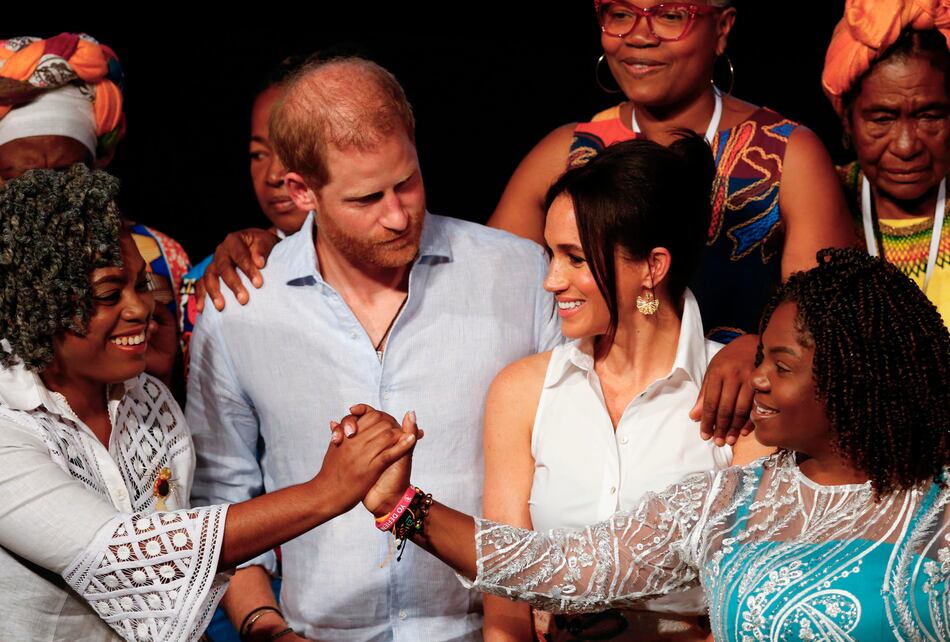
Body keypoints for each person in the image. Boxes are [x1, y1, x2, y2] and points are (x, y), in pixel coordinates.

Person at [342, 247, 950, 641]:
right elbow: (560, 567)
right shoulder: (722, 502)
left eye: (782, 366)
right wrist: (405, 509)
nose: (756, 378)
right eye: (759, 355)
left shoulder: (939, 509)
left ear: (852, 378)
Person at [186, 56, 561, 642]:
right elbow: (220, 508)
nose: (398, 215)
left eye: (407, 181)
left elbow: (567, 471)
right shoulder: (240, 309)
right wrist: (265, 627)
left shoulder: (520, 275)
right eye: (366, 199)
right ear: (301, 190)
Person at [0, 165, 418, 642]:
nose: (140, 308)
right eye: (109, 294)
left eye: (141, 285)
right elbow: (126, 557)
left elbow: (170, 600)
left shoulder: (146, 400)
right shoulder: (7, 422)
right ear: (34, 305)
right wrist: (327, 491)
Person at [481, 0, 856, 448]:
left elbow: (839, 324)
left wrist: (761, 350)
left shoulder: (787, 155)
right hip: (593, 426)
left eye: (670, 15)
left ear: (722, 29)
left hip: (737, 434)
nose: (640, 35)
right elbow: (492, 305)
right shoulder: (564, 154)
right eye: (620, 15)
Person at [483, 135, 762, 641]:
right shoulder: (521, 392)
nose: (551, 280)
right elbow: (505, 596)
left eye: (575, 258)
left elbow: (755, 591)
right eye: (551, 254)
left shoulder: (736, 393)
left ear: (652, 267)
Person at [0, 32, 190, 387]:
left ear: (97, 171)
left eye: (66, 174)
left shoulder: (157, 257)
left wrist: (159, 380)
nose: (47, 197)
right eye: (21, 179)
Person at [178, 56, 310, 371]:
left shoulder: (380, 263)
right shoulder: (210, 280)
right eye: (259, 154)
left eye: (292, 149)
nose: (273, 175)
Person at [823, 0, 950, 326]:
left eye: (930, 116)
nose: (906, 147)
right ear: (847, 120)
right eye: (882, 119)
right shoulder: (818, 203)